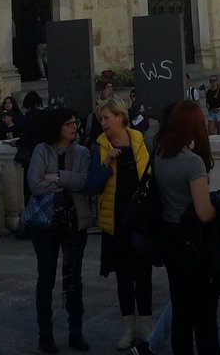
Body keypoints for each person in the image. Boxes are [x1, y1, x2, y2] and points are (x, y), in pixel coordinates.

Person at [154, 99, 220, 355]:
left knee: (181, 309)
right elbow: (204, 212)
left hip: (170, 237)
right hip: (193, 241)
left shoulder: (159, 150)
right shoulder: (192, 162)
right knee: (204, 313)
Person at [87, 96, 152, 351]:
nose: (102, 123)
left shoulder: (140, 141)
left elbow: (150, 177)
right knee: (123, 277)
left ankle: (145, 327)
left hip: (140, 221)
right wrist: (106, 166)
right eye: (100, 119)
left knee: (143, 276)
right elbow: (92, 185)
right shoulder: (100, 147)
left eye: (106, 117)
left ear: (120, 117)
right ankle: (128, 328)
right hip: (115, 222)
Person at [28, 108, 91, 353]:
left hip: (75, 220)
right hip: (46, 223)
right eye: (68, 124)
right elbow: (34, 184)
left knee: (74, 278)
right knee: (46, 278)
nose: (74, 127)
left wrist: (54, 177)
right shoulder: (41, 150)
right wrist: (66, 181)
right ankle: (46, 334)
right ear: (57, 127)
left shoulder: (83, 152)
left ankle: (76, 332)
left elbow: (83, 181)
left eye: (75, 122)